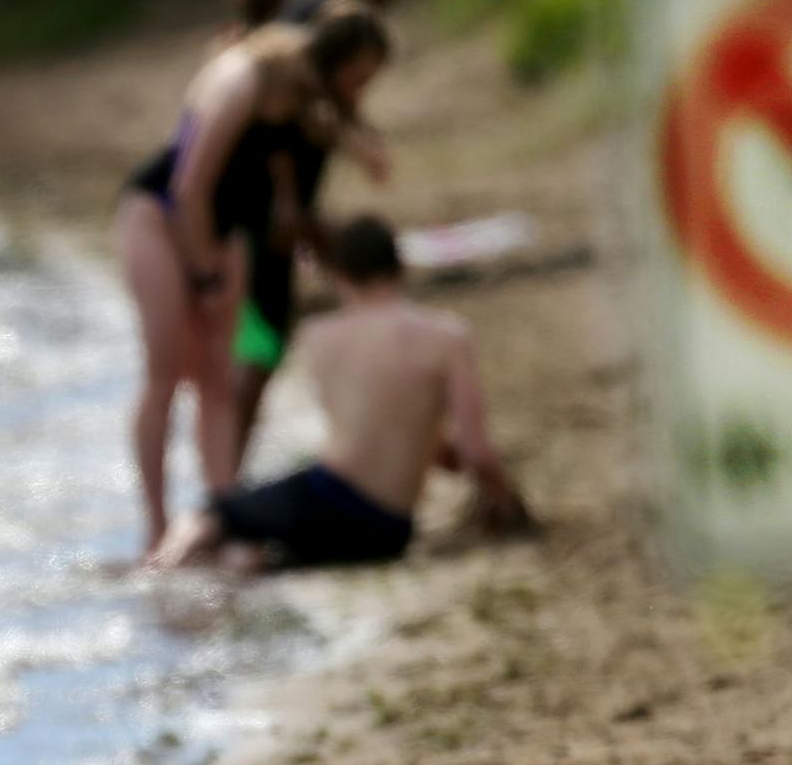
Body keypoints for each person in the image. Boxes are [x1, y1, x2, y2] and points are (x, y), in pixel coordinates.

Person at [117, 0, 392, 558]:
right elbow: (190, 185)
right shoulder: (244, 78)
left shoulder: (304, 96)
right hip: (159, 217)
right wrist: (204, 278)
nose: (360, 92)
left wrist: (365, 153)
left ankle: (225, 517)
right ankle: (156, 528)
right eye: (359, 78)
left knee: (219, 378)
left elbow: (332, 140)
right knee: (166, 372)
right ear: (330, 61)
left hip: (222, 233)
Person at [158, 215, 533, 572]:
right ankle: (223, 574)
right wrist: (503, 499)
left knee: (211, 516)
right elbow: (474, 450)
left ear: (338, 276)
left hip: (333, 493)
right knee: (255, 556)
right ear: (399, 269)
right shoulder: (448, 336)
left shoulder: (319, 336)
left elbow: (370, 420)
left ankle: (155, 570)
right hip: (387, 530)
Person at [235, 0, 414, 463]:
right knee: (263, 343)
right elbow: (275, 118)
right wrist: (291, 206)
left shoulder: (319, 17)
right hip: (269, 213)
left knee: (267, 339)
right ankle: (226, 481)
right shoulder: (320, 22)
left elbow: (325, 106)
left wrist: (360, 140)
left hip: (278, 211)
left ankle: (230, 471)